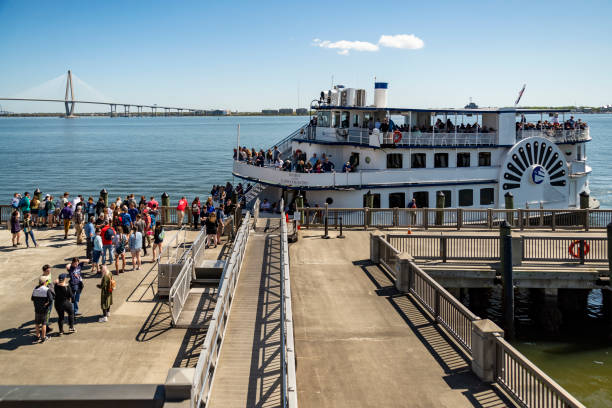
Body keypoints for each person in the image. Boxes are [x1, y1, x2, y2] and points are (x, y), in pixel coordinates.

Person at [31, 276, 54, 343]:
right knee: (44, 323)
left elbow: (32, 298)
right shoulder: (47, 290)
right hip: (44, 310)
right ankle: (43, 337)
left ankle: (37, 336)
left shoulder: (35, 289)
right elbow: (51, 300)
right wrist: (47, 305)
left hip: (37, 309)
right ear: (45, 282)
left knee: (37, 323)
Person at [41, 265, 54, 334]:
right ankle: (46, 327)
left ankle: (46, 323)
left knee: (49, 312)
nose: (49, 272)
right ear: (44, 271)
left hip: (51, 295)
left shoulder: (49, 275)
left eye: (50, 270)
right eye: (47, 271)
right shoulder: (43, 278)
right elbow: (44, 288)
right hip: (48, 297)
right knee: (47, 312)